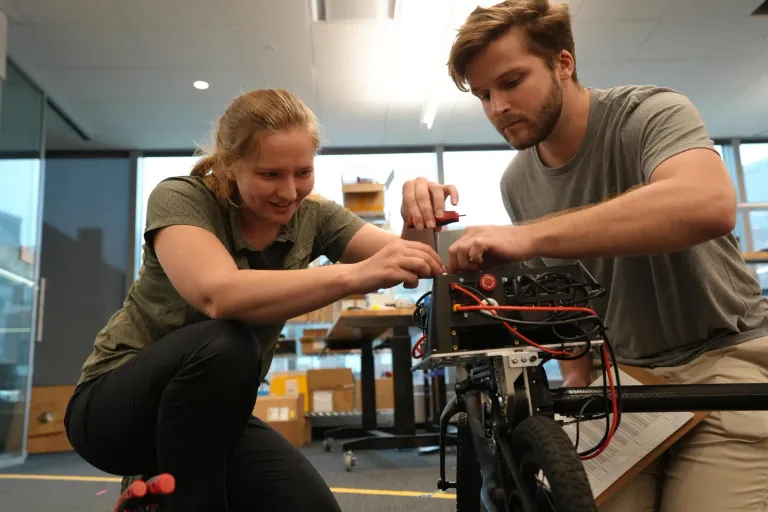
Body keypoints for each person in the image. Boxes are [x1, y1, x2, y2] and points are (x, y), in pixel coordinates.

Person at [400, 1, 768, 511]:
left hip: (726, 360)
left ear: (563, 63)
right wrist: (421, 228)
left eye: (511, 82)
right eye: (484, 95)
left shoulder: (649, 112)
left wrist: (528, 237)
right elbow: (565, 312)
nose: (497, 107)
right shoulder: (519, 181)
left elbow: (707, 205)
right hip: (625, 378)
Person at [64, 88, 447, 512]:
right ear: (230, 164)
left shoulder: (315, 217)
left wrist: (420, 216)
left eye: (303, 172)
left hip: (214, 417)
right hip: (115, 411)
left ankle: (161, 495)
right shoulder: (182, 197)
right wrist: (353, 274)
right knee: (226, 342)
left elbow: (413, 262)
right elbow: (218, 295)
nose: (290, 191)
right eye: (270, 175)